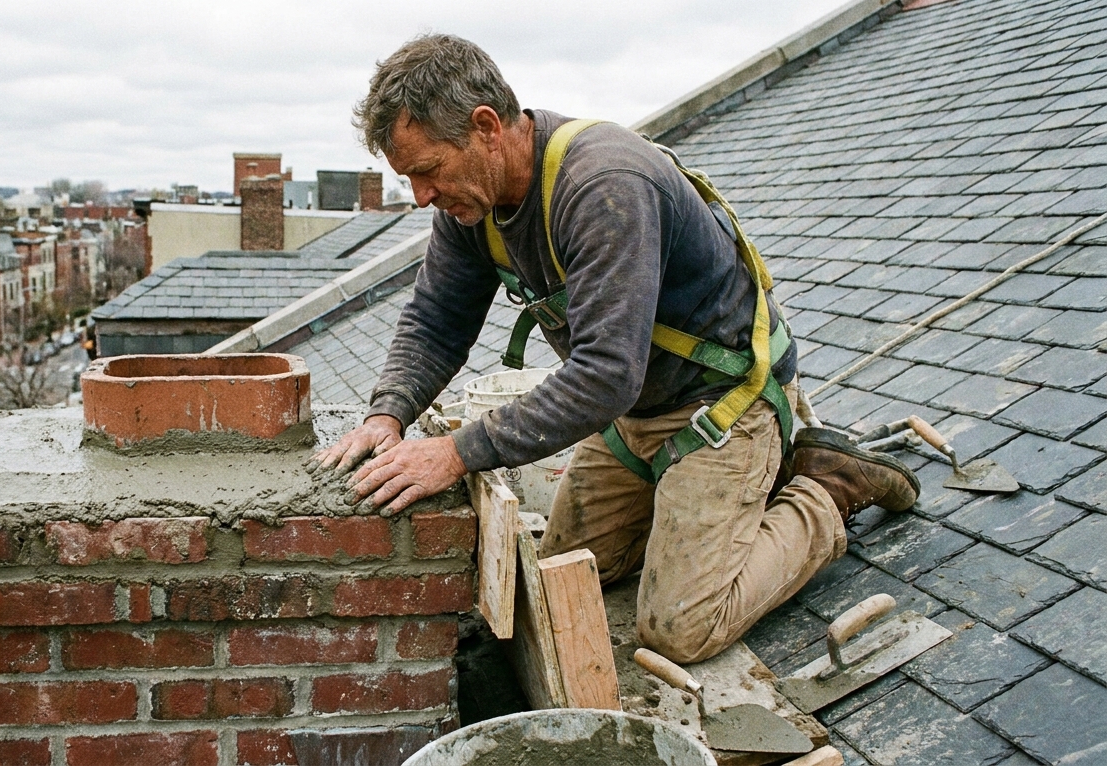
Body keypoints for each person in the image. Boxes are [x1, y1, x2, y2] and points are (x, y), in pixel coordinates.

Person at [309, 34, 919, 663]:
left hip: (723, 404)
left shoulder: (603, 185)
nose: (421, 196)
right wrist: (388, 413)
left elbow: (604, 375)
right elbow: (437, 320)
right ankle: (710, 510)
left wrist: (457, 454)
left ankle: (826, 487)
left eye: (427, 171)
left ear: (484, 127)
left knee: (679, 627)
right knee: (560, 582)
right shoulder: (475, 207)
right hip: (638, 416)